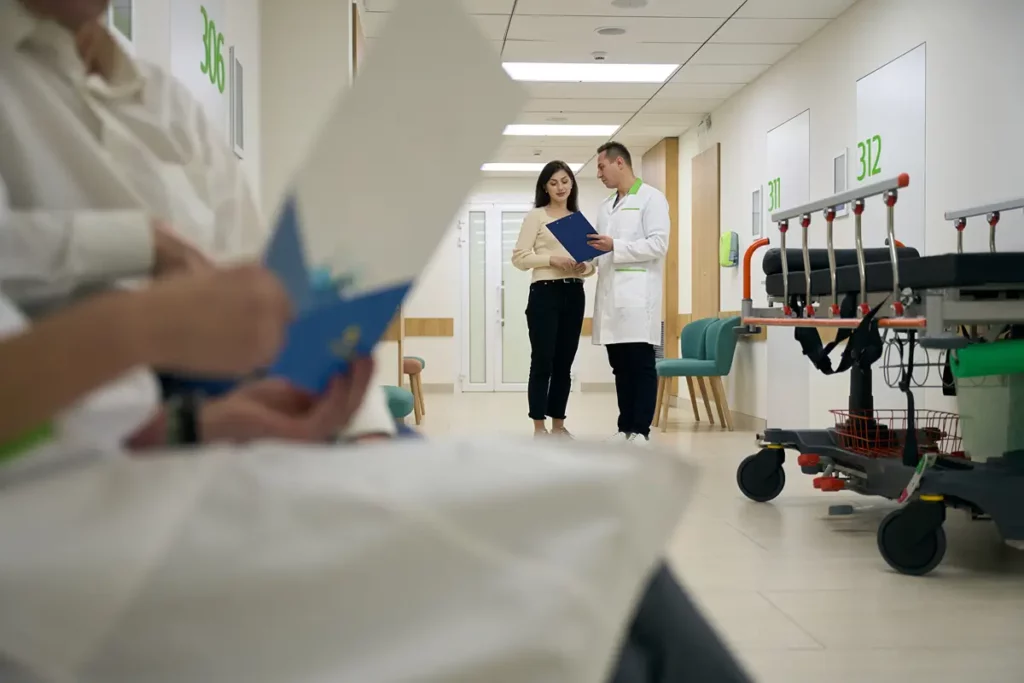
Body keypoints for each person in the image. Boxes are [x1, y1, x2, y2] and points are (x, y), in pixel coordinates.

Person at [0, 0, 396, 439]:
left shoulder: (171, 104)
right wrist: (144, 245)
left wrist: (363, 422)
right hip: (98, 394)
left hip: (227, 396)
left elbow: (269, 290)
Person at [587, 142, 669, 445]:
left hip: (637, 299)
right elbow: (599, 252)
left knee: (640, 365)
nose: (598, 174)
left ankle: (641, 431)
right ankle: (625, 429)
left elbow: (659, 245)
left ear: (619, 163)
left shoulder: (651, 199)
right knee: (620, 366)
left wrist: (615, 246)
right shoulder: (605, 206)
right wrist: (584, 261)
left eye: (601, 166)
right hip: (610, 299)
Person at [511, 160, 593, 437]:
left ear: (572, 184)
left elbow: (592, 262)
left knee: (564, 362)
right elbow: (520, 258)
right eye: (554, 182)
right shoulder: (536, 216)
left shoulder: (577, 219)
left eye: (565, 181)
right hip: (545, 291)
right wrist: (551, 259)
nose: (561, 187)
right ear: (545, 187)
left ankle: (558, 423)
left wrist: (586, 267)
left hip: (574, 291)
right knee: (543, 359)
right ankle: (538, 426)